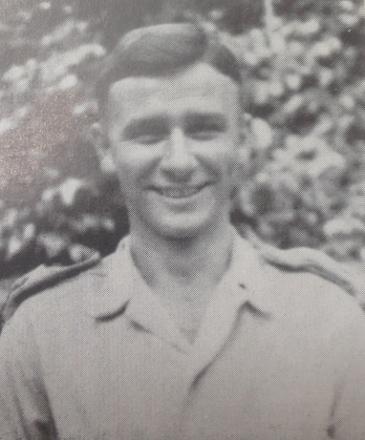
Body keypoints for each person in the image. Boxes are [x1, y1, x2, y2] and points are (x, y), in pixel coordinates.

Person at [1, 22, 365, 440]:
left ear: (243, 138)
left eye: (203, 129)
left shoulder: (327, 319)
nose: (178, 160)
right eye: (148, 134)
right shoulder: (41, 334)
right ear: (105, 148)